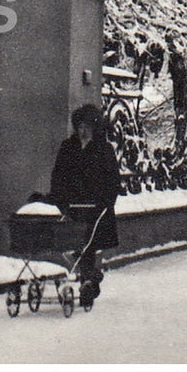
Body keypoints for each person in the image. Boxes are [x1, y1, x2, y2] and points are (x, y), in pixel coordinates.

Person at [49, 104, 121, 303]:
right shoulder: (67, 147)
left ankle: (88, 282)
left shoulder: (104, 149)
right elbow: (58, 174)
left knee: (88, 244)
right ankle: (91, 277)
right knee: (73, 243)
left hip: (95, 207)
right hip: (71, 204)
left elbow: (113, 179)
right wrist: (58, 196)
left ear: (95, 128)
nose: (83, 131)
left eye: (87, 127)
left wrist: (106, 201)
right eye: (80, 126)